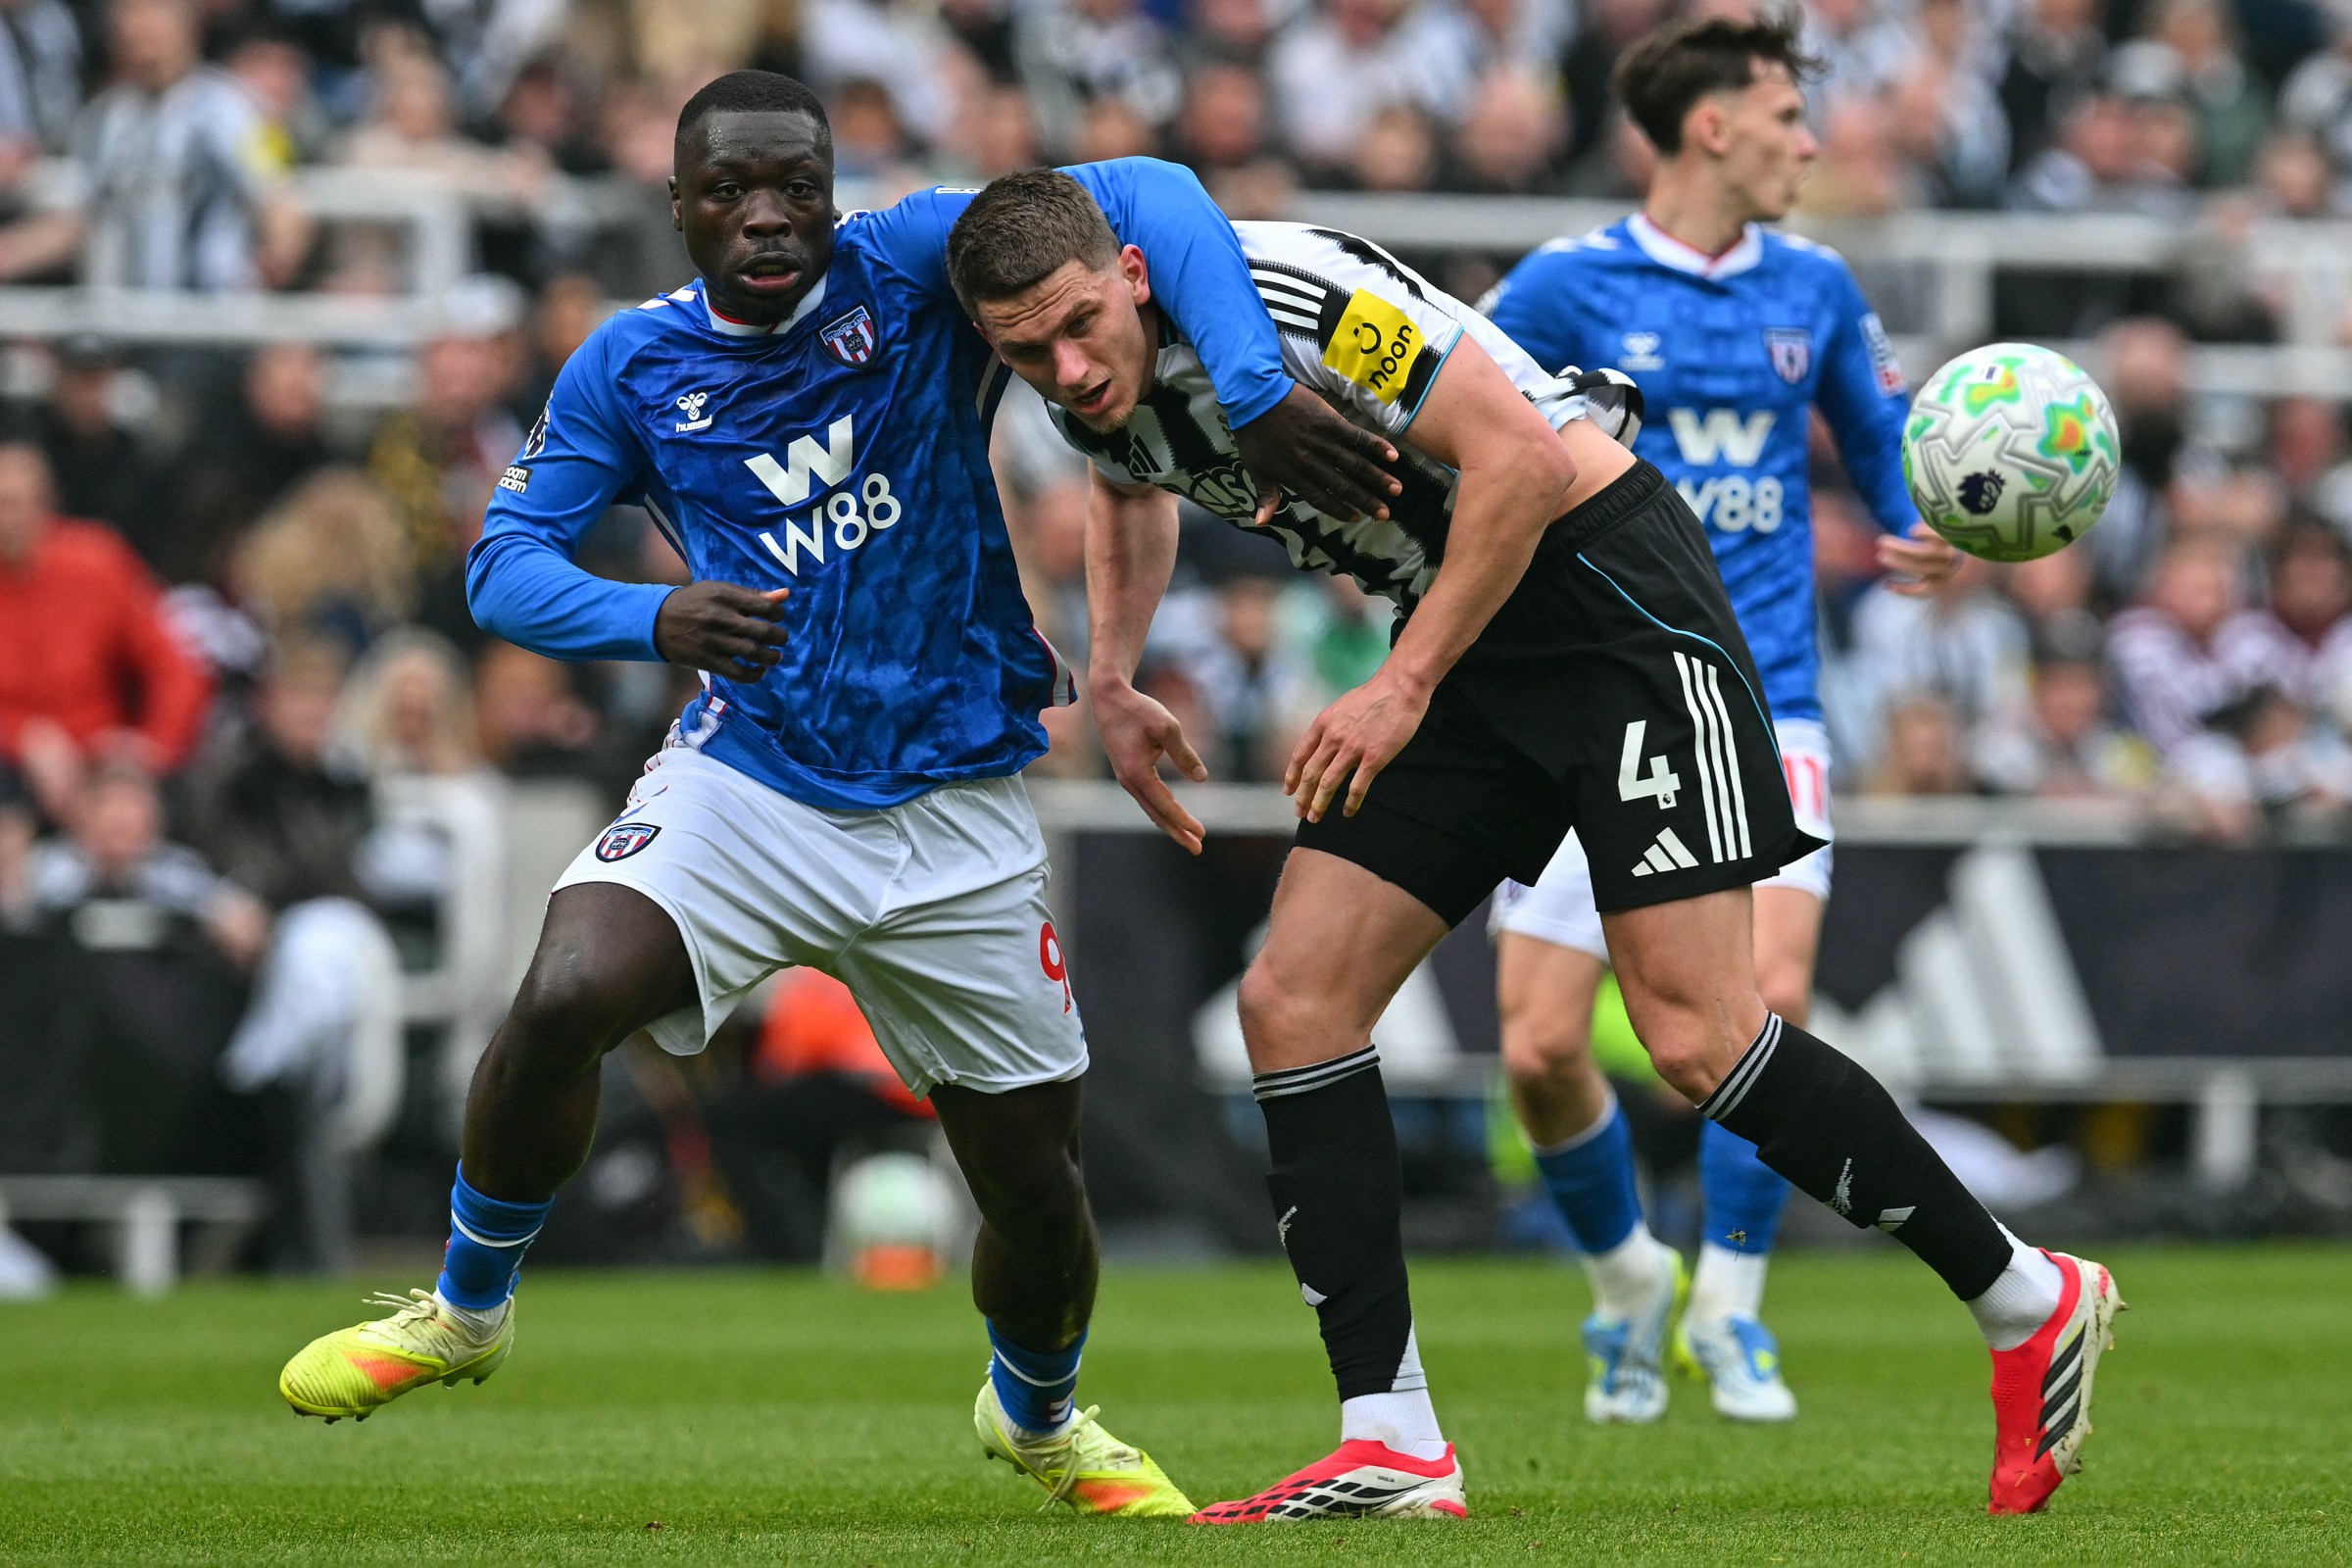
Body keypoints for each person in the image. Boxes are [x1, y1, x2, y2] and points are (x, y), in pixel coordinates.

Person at [273, 70, 1399, 1519]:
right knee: (563, 994)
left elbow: (1158, 197)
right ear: (675, 204)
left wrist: (1253, 387)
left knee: (1038, 1192)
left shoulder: (913, 261)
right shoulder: (630, 367)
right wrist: (652, 618)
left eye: (794, 186)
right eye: (730, 190)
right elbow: (504, 566)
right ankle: (466, 1309)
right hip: (753, 778)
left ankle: (1040, 1420)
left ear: (831, 187)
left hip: (956, 806)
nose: (766, 216)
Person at [946, 158, 2121, 1522]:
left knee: (1696, 1034)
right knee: (1294, 997)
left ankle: (2030, 1298)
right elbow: (1131, 481)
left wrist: (1402, 682)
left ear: (1134, 274)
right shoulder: (1080, 380)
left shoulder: (1289, 296)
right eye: (1025, 351)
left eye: (1082, 325)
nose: (1068, 368)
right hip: (1466, 636)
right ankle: (1393, 1437)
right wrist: (1113, 670)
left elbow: (1522, 457)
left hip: (1606, 595)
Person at [1474, 13, 1966, 1428]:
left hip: (1767, 697)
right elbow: (1458, 427)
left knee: (1770, 1005)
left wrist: (1919, 526)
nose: (1811, 142)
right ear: (1712, 126)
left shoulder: (1813, 286)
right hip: (1594, 692)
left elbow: (1885, 463)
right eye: (1788, 116)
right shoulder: (1565, 288)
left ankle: (1732, 1307)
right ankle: (1627, 1279)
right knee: (1538, 1046)